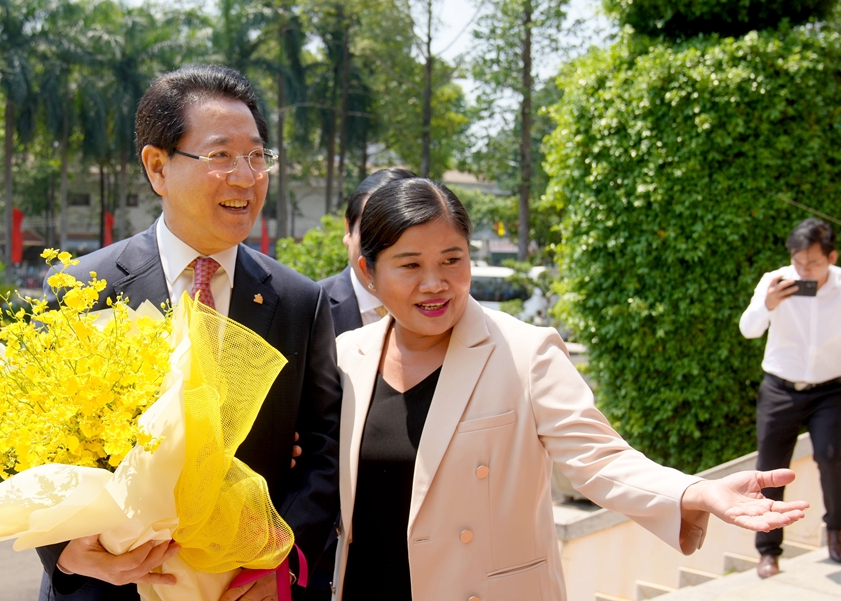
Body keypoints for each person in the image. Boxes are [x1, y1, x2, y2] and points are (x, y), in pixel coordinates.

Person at [332, 178, 809, 600]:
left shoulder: (525, 351)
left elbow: (599, 458)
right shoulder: (345, 356)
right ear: (368, 273)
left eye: (452, 260)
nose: (435, 283)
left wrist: (695, 492)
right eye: (410, 265)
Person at [36, 65, 342, 601]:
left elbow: (324, 449)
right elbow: (34, 440)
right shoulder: (83, 290)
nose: (246, 177)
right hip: (108, 585)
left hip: (247, 589)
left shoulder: (299, 301)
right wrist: (61, 550)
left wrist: (280, 567)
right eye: (220, 155)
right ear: (158, 168)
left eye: (256, 155)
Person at [305, 168, 416, 601]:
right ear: (348, 235)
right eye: (372, 229)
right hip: (322, 549)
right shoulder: (305, 307)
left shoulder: (445, 312)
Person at [739, 217, 841, 578]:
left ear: (831, 257)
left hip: (830, 389)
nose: (803, 269)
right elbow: (749, 330)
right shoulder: (775, 281)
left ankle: (836, 531)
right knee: (769, 471)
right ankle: (768, 551)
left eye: (812, 262)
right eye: (798, 261)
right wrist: (766, 304)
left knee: (833, 458)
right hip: (780, 388)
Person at [320, 168, 417, 338]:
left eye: (400, 233)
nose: (385, 247)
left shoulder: (444, 308)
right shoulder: (310, 308)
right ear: (348, 230)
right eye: (372, 231)